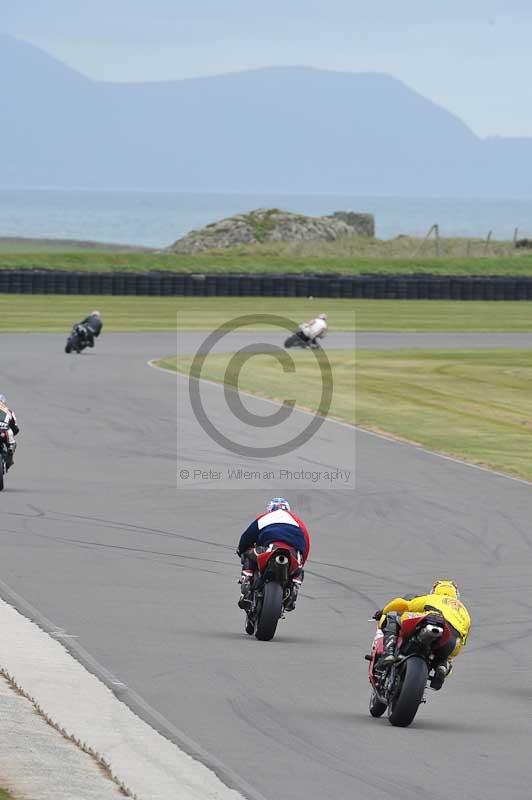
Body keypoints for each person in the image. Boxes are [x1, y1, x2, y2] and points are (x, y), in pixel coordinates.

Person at [374, 580, 471, 690]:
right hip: (452, 639)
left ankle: (388, 653)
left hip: (431, 620)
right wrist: (448, 658)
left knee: (391, 616)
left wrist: (382, 612)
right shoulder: (465, 612)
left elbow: (404, 604)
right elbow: (461, 643)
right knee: (443, 656)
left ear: (435, 591)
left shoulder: (434, 598)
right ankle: (441, 667)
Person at [237, 498, 311, 612]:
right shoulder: (298, 521)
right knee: (299, 570)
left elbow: (247, 536)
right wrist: (301, 563)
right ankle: (295, 586)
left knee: (248, 555)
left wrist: (241, 549)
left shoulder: (265, 517)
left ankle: (246, 581)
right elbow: (306, 543)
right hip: (293, 554)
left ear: (270, 509)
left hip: (270, 549)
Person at [0, 394, 20, 470]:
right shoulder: (9, 411)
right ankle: (9, 460)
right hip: (5, 431)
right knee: (12, 444)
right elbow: (15, 428)